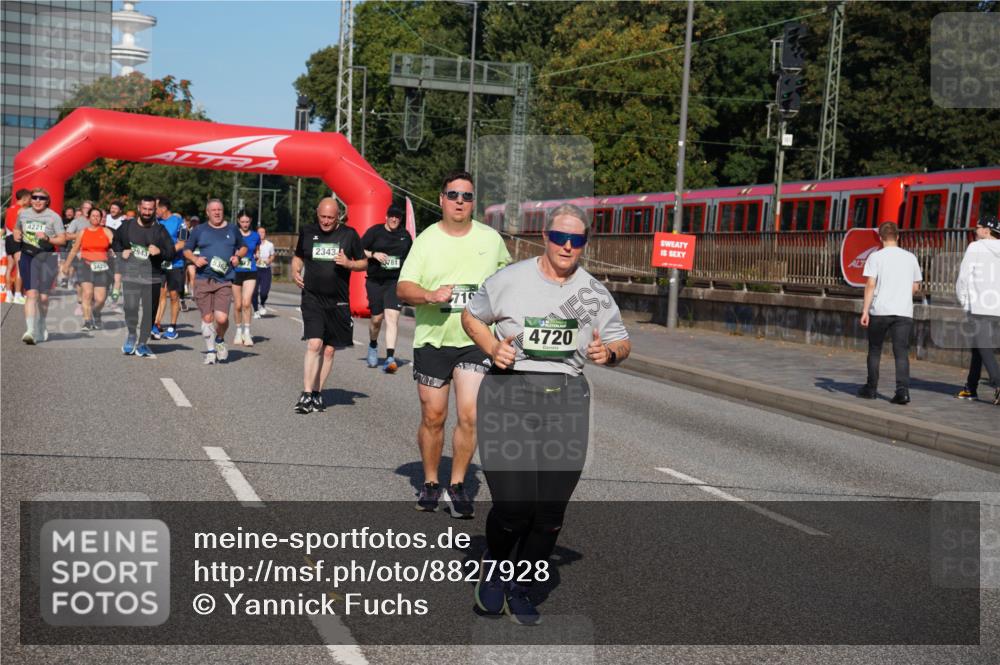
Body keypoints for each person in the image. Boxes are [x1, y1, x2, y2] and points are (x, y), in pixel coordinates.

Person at [461, 203, 630, 625]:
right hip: (509, 393)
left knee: (550, 511)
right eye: (560, 238)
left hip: (566, 398)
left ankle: (521, 582)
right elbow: (471, 316)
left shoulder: (593, 292)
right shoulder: (509, 279)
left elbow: (622, 342)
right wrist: (491, 347)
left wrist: (607, 353)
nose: (567, 246)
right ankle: (496, 568)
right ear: (545, 237)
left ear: (585, 244)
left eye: (576, 240)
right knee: (515, 506)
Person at [397, 171, 511, 516]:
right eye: (453, 194)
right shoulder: (427, 241)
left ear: (473, 201)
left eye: (467, 196)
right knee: (433, 416)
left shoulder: (491, 240)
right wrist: (430, 294)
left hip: (474, 340)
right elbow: (403, 288)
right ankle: (431, 483)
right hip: (434, 340)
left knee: (471, 414)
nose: (460, 201)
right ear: (442, 198)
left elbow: (508, 282)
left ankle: (458, 486)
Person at [290, 197, 366, 413]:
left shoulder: (348, 235)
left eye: (330, 218)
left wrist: (350, 263)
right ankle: (305, 394)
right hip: (312, 297)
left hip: (338, 301)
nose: (325, 221)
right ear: (317, 213)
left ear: (338, 216)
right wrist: (295, 271)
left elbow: (363, 263)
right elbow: (298, 257)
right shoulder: (307, 231)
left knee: (330, 350)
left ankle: (316, 392)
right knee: (314, 343)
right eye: (322, 216)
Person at [857, 221, 922, 404]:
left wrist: (865, 311)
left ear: (880, 237)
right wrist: (901, 296)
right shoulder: (911, 257)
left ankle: (871, 389)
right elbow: (915, 286)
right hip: (903, 311)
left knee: (875, 349)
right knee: (901, 352)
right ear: (898, 236)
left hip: (880, 311)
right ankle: (902, 392)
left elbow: (870, 285)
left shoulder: (875, 257)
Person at [183, 199, 247, 365]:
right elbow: (186, 249)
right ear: (207, 212)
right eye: (213, 210)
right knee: (207, 317)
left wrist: (237, 257)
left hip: (224, 279)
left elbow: (244, 247)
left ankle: (219, 339)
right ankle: (210, 350)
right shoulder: (199, 230)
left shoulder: (232, 228)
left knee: (221, 318)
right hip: (204, 278)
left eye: (220, 209)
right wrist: (195, 259)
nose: (217, 212)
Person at [113, 195, 175, 357]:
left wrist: (160, 251)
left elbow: (171, 253)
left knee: (150, 311)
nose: (147, 212)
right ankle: (132, 334)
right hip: (131, 275)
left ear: (155, 210)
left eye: (150, 209)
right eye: (144, 209)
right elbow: (115, 242)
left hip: (152, 277)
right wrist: (122, 252)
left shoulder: (160, 231)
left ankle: (142, 342)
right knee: (130, 308)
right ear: (139, 208)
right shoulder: (127, 226)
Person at [362, 203, 413, 373]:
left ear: (400, 220)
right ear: (386, 217)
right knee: (376, 319)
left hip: (394, 282)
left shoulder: (405, 237)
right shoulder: (375, 232)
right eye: (391, 216)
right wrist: (373, 254)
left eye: (397, 217)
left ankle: (390, 357)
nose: (394, 219)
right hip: (375, 281)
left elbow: (411, 258)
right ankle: (373, 344)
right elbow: (359, 249)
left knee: (392, 318)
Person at [955, 215, 1000, 406]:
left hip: (980, 306)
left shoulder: (975, 248)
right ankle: (971, 387)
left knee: (984, 347)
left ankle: (998, 383)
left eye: (978, 227)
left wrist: (965, 303)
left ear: (987, 231)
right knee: (979, 348)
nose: (975, 230)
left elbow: (963, 278)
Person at [13, 188, 66, 344]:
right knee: (31, 294)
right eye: (34, 197)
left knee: (43, 297)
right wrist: (16, 233)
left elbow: (62, 240)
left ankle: (41, 322)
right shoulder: (23, 213)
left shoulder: (53, 217)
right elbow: (17, 228)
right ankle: (30, 330)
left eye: (41, 198)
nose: (37, 200)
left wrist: (48, 238)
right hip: (28, 256)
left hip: (46, 258)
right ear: (30, 199)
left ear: (47, 201)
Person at [61, 207, 113, 330]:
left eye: (98, 216)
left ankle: (96, 312)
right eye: (93, 215)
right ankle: (87, 321)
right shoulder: (83, 232)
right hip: (86, 265)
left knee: (100, 299)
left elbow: (114, 244)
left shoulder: (106, 231)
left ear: (101, 218)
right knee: (87, 293)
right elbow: (74, 249)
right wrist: (66, 265)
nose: (95, 218)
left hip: (102, 267)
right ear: (88, 217)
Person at [151, 197, 185, 341]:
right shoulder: (156, 222)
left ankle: (172, 326)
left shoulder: (178, 221)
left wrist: (168, 252)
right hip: (160, 264)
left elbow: (183, 242)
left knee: (174, 296)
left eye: (156, 208)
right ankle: (155, 324)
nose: (154, 211)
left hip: (175, 263)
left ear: (163, 208)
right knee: (159, 294)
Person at [231, 213, 260, 346]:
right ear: (238, 221)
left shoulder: (255, 236)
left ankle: (247, 333)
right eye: (242, 222)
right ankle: (238, 331)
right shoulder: (234, 233)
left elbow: (256, 250)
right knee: (237, 305)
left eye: (247, 221)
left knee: (246, 303)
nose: (245, 224)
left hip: (250, 271)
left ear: (250, 221)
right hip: (236, 272)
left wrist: (257, 255)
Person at [4, 188, 30, 304]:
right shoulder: (22, 210)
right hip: (17, 238)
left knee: (10, 267)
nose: (30, 202)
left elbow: (7, 225)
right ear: (24, 199)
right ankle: (18, 295)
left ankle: (9, 294)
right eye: (29, 199)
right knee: (20, 267)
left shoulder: (9, 209)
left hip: (8, 238)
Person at [64, 208, 91, 316]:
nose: (87, 210)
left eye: (89, 208)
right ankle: (80, 302)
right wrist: (81, 235)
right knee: (81, 279)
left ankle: (89, 304)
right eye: (85, 208)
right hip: (79, 253)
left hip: (94, 255)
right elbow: (67, 235)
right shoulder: (77, 222)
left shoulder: (96, 221)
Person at [105, 201, 126, 309]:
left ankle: (114, 300)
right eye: (111, 208)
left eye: (115, 208)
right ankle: (105, 295)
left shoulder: (124, 221)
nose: (112, 210)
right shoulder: (105, 218)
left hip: (119, 252)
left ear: (120, 211)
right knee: (107, 277)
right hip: (105, 251)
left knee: (117, 278)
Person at [252, 226, 274, 318]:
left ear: (265, 234)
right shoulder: (253, 244)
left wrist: (269, 260)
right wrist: (254, 257)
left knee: (264, 292)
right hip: (255, 269)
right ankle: (256, 310)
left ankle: (263, 303)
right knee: (254, 292)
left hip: (266, 269)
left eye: (263, 232)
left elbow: (272, 255)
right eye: (259, 232)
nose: (261, 234)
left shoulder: (270, 245)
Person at [184, 215, 201, 307]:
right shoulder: (187, 231)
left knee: (199, 276)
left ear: (198, 222)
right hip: (191, 256)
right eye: (193, 221)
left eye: (196, 222)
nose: (194, 223)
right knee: (192, 275)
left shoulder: (202, 232)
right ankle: (193, 293)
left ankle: (196, 291)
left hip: (200, 256)